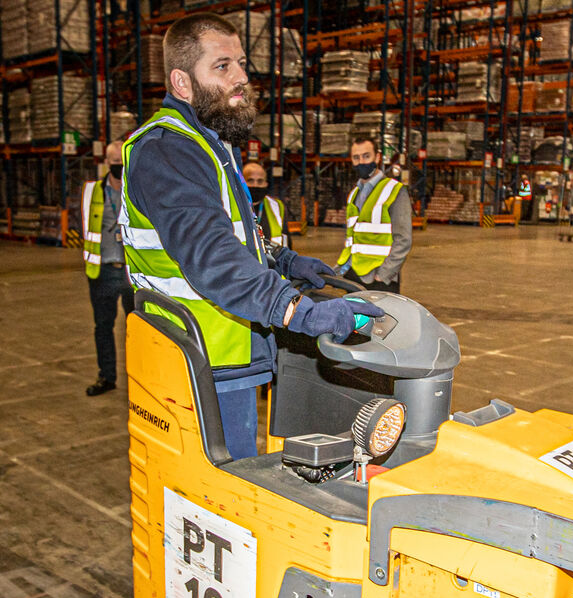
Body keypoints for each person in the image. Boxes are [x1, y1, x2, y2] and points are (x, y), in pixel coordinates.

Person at [120, 12, 381, 459]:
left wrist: (283, 261)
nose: (242, 77)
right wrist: (300, 313)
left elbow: (233, 234)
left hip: (227, 352)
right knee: (216, 503)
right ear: (182, 83)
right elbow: (213, 258)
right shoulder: (168, 150)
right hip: (200, 364)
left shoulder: (211, 142)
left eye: (241, 63)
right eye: (222, 66)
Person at [82, 141, 136, 396]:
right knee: (103, 327)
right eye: (114, 163)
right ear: (106, 163)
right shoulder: (92, 192)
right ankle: (107, 377)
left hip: (132, 272)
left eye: (122, 163)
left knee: (137, 329)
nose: (119, 168)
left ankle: (140, 379)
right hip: (102, 271)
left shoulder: (136, 191)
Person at [338, 136, 412, 292]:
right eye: (356, 158)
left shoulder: (394, 190)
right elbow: (352, 238)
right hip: (354, 275)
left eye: (366, 156)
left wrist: (383, 275)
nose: (361, 162)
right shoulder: (353, 194)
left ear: (377, 157)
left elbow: (403, 239)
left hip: (379, 279)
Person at [242, 160, 289, 247]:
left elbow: (286, 240)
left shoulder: (277, 207)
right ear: (242, 183)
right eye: (250, 181)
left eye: (260, 181)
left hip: (272, 259)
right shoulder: (233, 206)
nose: (255, 185)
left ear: (266, 184)